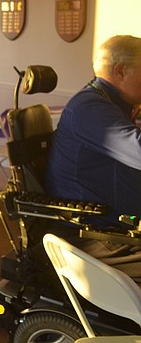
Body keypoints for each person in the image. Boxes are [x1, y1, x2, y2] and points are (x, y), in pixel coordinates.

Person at [45, 34, 141, 282]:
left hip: (116, 222)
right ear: (120, 70)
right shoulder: (90, 107)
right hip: (95, 232)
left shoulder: (109, 102)